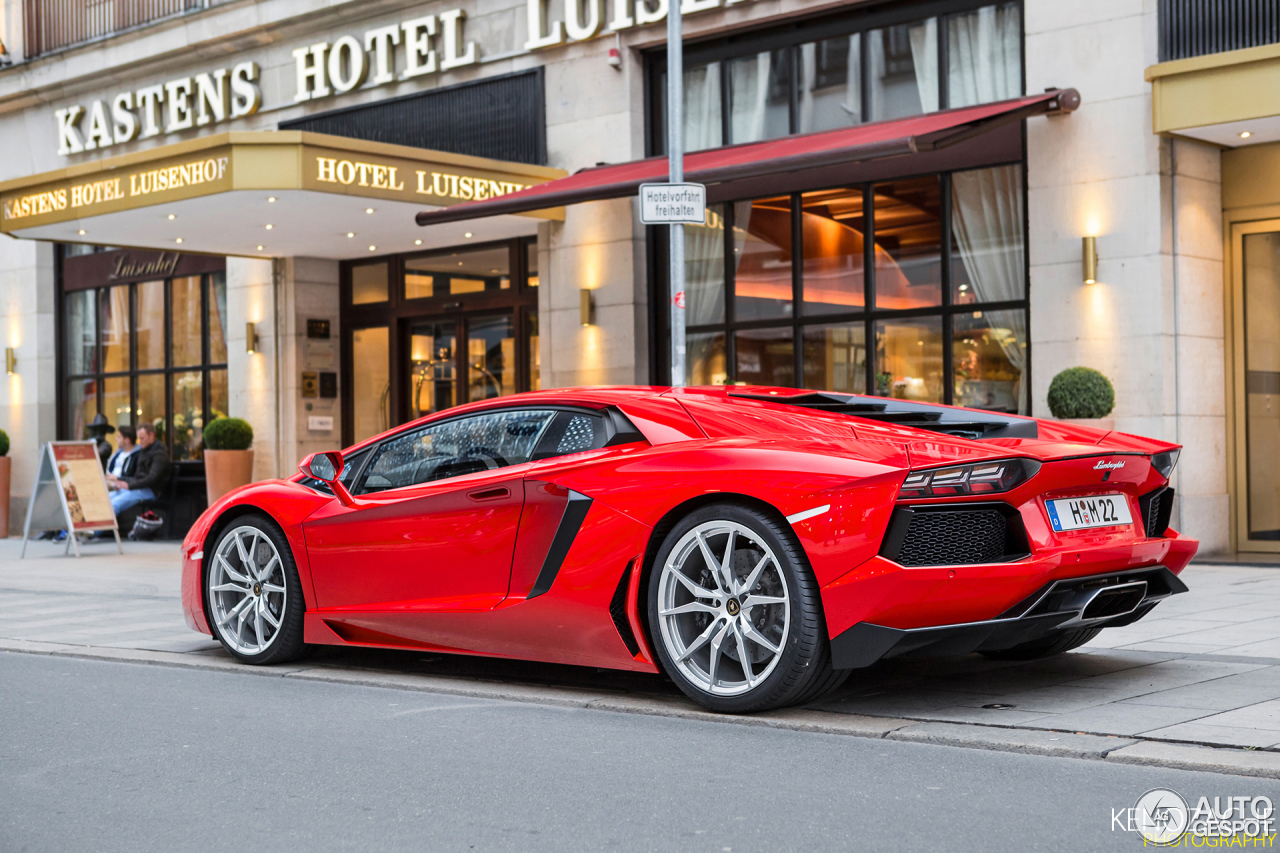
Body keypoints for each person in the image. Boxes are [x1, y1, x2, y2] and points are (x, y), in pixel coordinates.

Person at [107, 422, 169, 515]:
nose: (139, 441)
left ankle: (98, 529)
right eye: (138, 438)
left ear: (151, 436)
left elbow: (152, 478)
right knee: (106, 499)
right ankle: (93, 527)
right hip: (139, 488)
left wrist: (129, 485)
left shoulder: (160, 454)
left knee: (114, 504)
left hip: (150, 490)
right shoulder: (144, 450)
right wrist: (123, 482)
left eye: (142, 438)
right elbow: (138, 476)